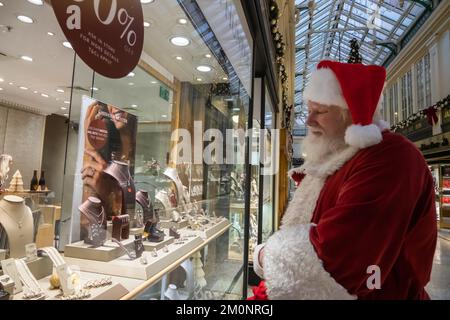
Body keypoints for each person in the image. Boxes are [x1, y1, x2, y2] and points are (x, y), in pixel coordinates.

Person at [250, 60, 437, 300]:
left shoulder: (390, 157)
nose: (309, 121)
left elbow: (338, 260)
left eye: (320, 111)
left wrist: (264, 255)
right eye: (309, 110)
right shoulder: (337, 159)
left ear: (350, 113)